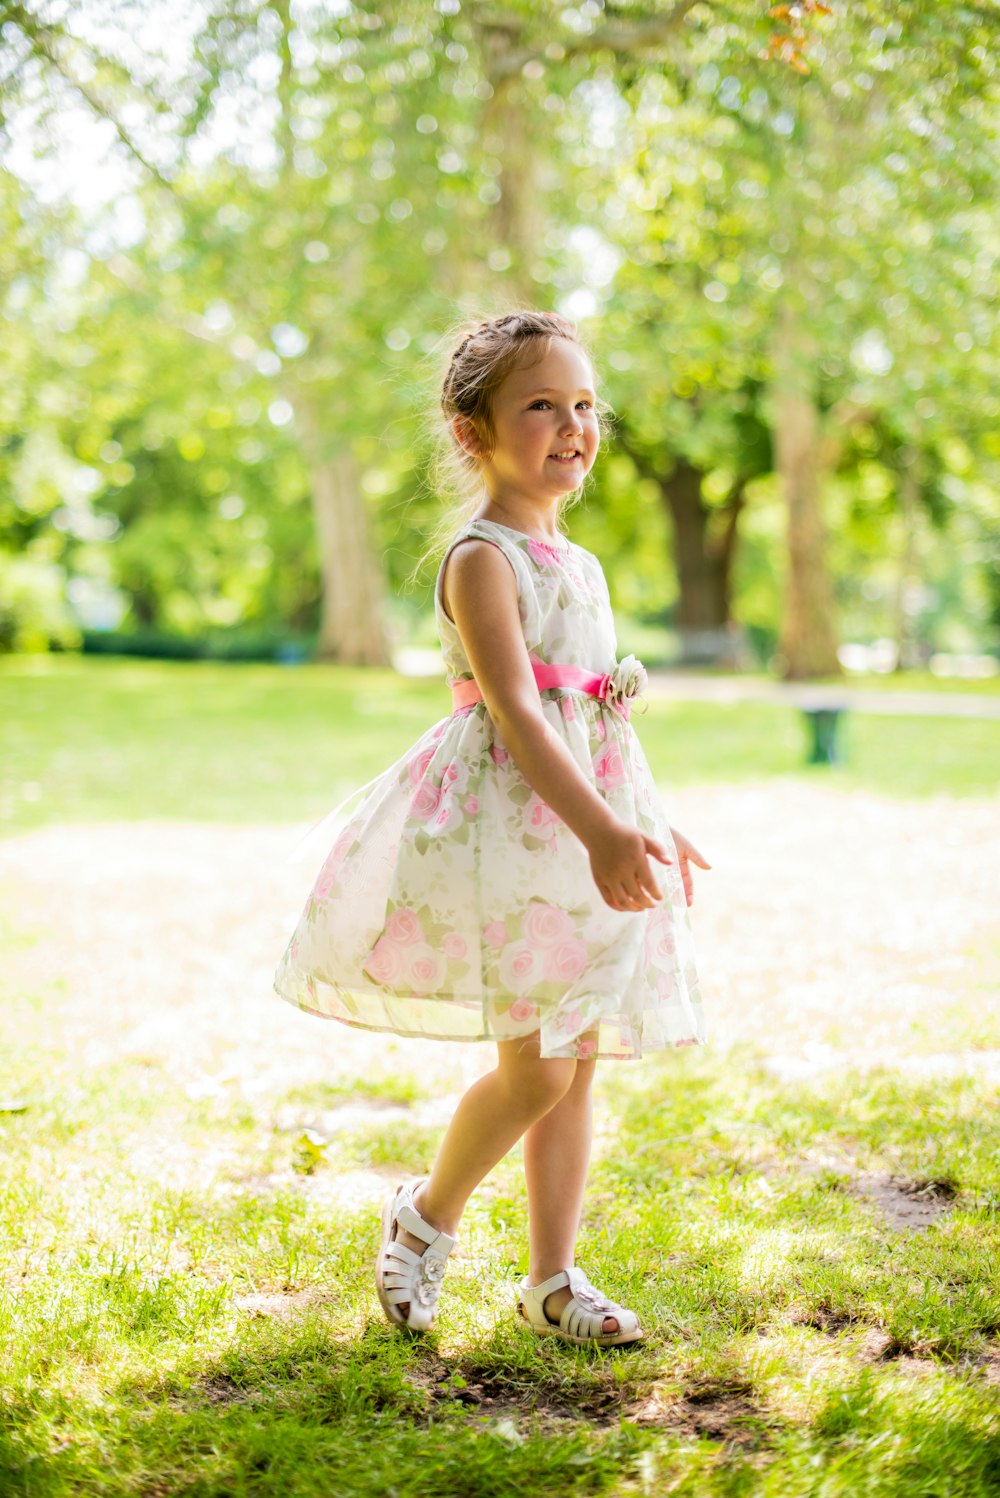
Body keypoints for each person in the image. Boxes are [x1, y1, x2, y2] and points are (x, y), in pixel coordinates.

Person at [274, 309, 710, 1348]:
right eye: (540, 406)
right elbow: (517, 710)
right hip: (510, 840)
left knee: (580, 1056)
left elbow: (594, 716)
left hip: (583, 832)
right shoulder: (482, 558)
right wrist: (602, 833)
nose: (571, 426)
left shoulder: (584, 563)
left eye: (584, 406)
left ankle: (552, 1280)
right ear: (473, 432)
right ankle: (426, 1214)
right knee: (537, 1066)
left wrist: (644, 822)